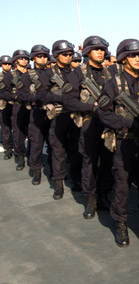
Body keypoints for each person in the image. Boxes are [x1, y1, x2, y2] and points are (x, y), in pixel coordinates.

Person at [97, 39, 139, 247]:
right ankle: (121, 224)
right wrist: (129, 123)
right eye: (133, 55)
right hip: (124, 142)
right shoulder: (113, 83)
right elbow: (104, 113)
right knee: (123, 186)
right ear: (124, 59)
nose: (138, 59)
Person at [63, 36, 114, 218]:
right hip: (89, 123)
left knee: (108, 162)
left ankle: (103, 197)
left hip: (108, 125)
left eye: (102, 49)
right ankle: (91, 200)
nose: (100, 52)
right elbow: (69, 101)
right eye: (96, 49)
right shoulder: (77, 74)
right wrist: (91, 107)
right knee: (90, 163)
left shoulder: (109, 73)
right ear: (87, 52)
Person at [36, 40, 82, 199]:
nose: (68, 57)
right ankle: (59, 184)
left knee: (76, 150)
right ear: (56, 55)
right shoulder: (48, 73)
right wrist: (61, 98)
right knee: (58, 151)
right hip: (58, 115)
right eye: (65, 54)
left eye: (70, 54)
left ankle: (77, 180)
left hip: (75, 115)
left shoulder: (77, 72)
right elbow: (41, 94)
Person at [16, 45, 51, 185]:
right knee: (36, 143)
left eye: (44, 56)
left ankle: (55, 171)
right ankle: (36, 171)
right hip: (37, 112)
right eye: (39, 56)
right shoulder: (27, 76)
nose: (42, 58)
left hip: (53, 113)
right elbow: (20, 94)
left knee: (55, 144)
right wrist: (38, 97)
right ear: (34, 58)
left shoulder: (52, 74)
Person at [2, 50, 31, 171]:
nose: (24, 60)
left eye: (26, 58)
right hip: (18, 106)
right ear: (16, 61)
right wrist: (14, 97)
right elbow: (3, 92)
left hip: (31, 106)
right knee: (18, 134)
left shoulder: (32, 74)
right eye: (21, 58)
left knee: (33, 134)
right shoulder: (10, 76)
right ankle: (20, 158)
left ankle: (31, 156)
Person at [0, 55, 14, 160]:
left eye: (9, 64)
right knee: (5, 128)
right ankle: (8, 149)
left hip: (15, 104)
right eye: (5, 64)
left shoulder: (15, 75)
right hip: (3, 105)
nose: (7, 66)